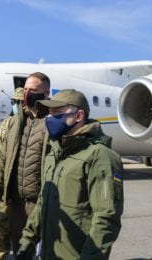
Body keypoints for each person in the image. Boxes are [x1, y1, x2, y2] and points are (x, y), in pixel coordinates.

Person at [18, 89, 124, 259]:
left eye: (57, 112)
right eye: (50, 113)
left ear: (79, 115)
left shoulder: (100, 156)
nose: (50, 118)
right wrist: (27, 242)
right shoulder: (54, 153)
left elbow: (106, 217)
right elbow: (42, 203)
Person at [0, 72, 50, 259]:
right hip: (16, 204)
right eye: (26, 90)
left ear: (46, 92)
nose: (27, 94)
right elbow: (1, 161)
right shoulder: (14, 123)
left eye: (32, 90)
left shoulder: (54, 122)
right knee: (20, 252)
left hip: (40, 203)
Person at [0, 87, 24, 259]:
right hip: (5, 191)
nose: (15, 105)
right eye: (14, 102)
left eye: (18, 102)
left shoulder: (38, 124)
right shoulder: (7, 124)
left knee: (25, 240)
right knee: (0, 237)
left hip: (24, 192)